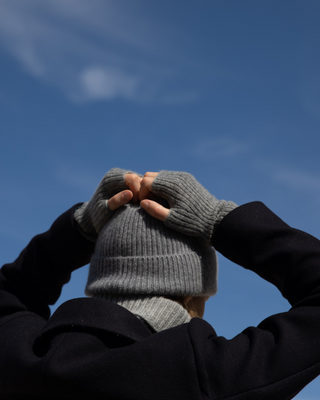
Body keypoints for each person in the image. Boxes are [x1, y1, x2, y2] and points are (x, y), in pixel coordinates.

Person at [1, 167, 320, 400]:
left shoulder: (18, 356)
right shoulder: (203, 375)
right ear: (194, 293)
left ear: (103, 278)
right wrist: (218, 219)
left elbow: (12, 290)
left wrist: (78, 229)